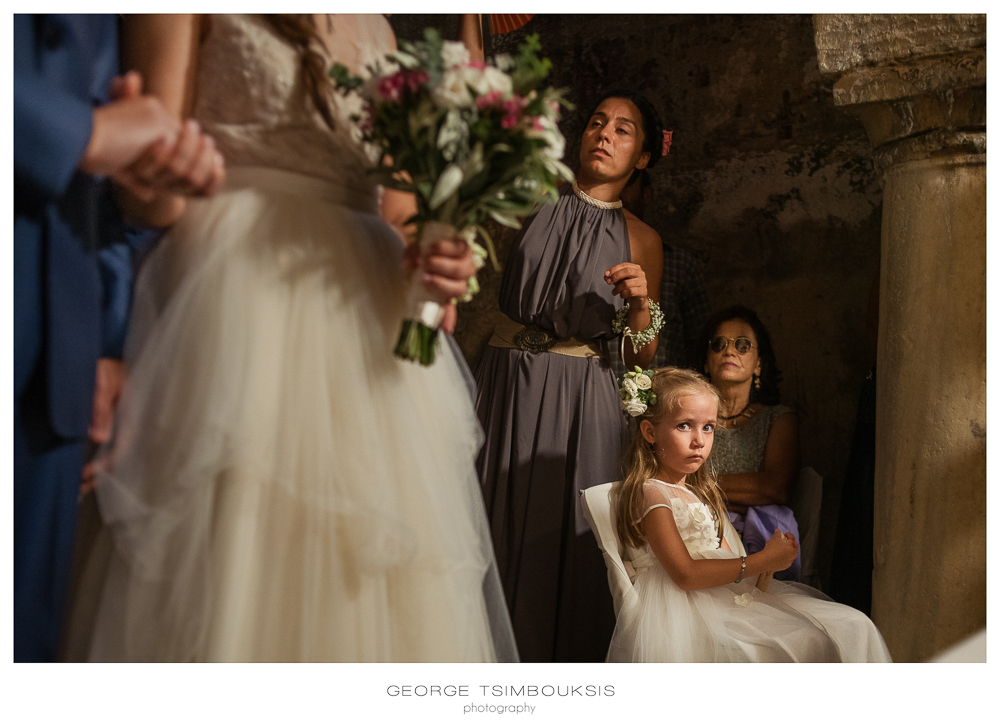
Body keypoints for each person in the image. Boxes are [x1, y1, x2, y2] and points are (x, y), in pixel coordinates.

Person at [76, 14, 516, 662]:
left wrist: (435, 251)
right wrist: (160, 178)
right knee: (236, 555)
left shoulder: (381, 31)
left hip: (365, 322)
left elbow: (394, 211)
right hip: (238, 297)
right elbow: (147, 187)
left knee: (361, 575)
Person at [14, 13, 224, 662]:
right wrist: (81, 133)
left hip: (56, 368)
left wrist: (106, 339)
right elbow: (94, 131)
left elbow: (115, 176)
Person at [475, 87, 666, 661]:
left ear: (643, 157)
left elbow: (641, 359)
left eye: (623, 130)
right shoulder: (531, 197)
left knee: (563, 550)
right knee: (487, 525)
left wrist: (638, 303)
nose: (604, 134)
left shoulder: (643, 238)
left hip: (582, 400)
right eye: (596, 122)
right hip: (506, 382)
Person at [607, 367, 890, 662]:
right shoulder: (653, 493)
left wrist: (770, 560)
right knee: (808, 638)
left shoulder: (697, 492)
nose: (699, 440)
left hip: (724, 595)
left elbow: (731, 564)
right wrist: (760, 561)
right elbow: (685, 574)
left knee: (856, 624)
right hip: (687, 609)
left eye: (708, 427)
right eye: (684, 426)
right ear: (650, 431)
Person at [694, 305, 802, 580]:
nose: (729, 351)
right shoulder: (689, 419)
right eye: (719, 344)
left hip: (756, 546)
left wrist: (696, 486)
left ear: (758, 364)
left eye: (742, 345)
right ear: (706, 362)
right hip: (696, 541)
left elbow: (774, 489)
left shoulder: (778, 418)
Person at [611, 168, 710, 379]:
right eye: (613, 184)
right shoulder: (585, 255)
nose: (618, 192)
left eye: (628, 184)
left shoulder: (679, 264)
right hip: (593, 387)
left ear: (646, 194)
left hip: (659, 393)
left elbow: (699, 340)